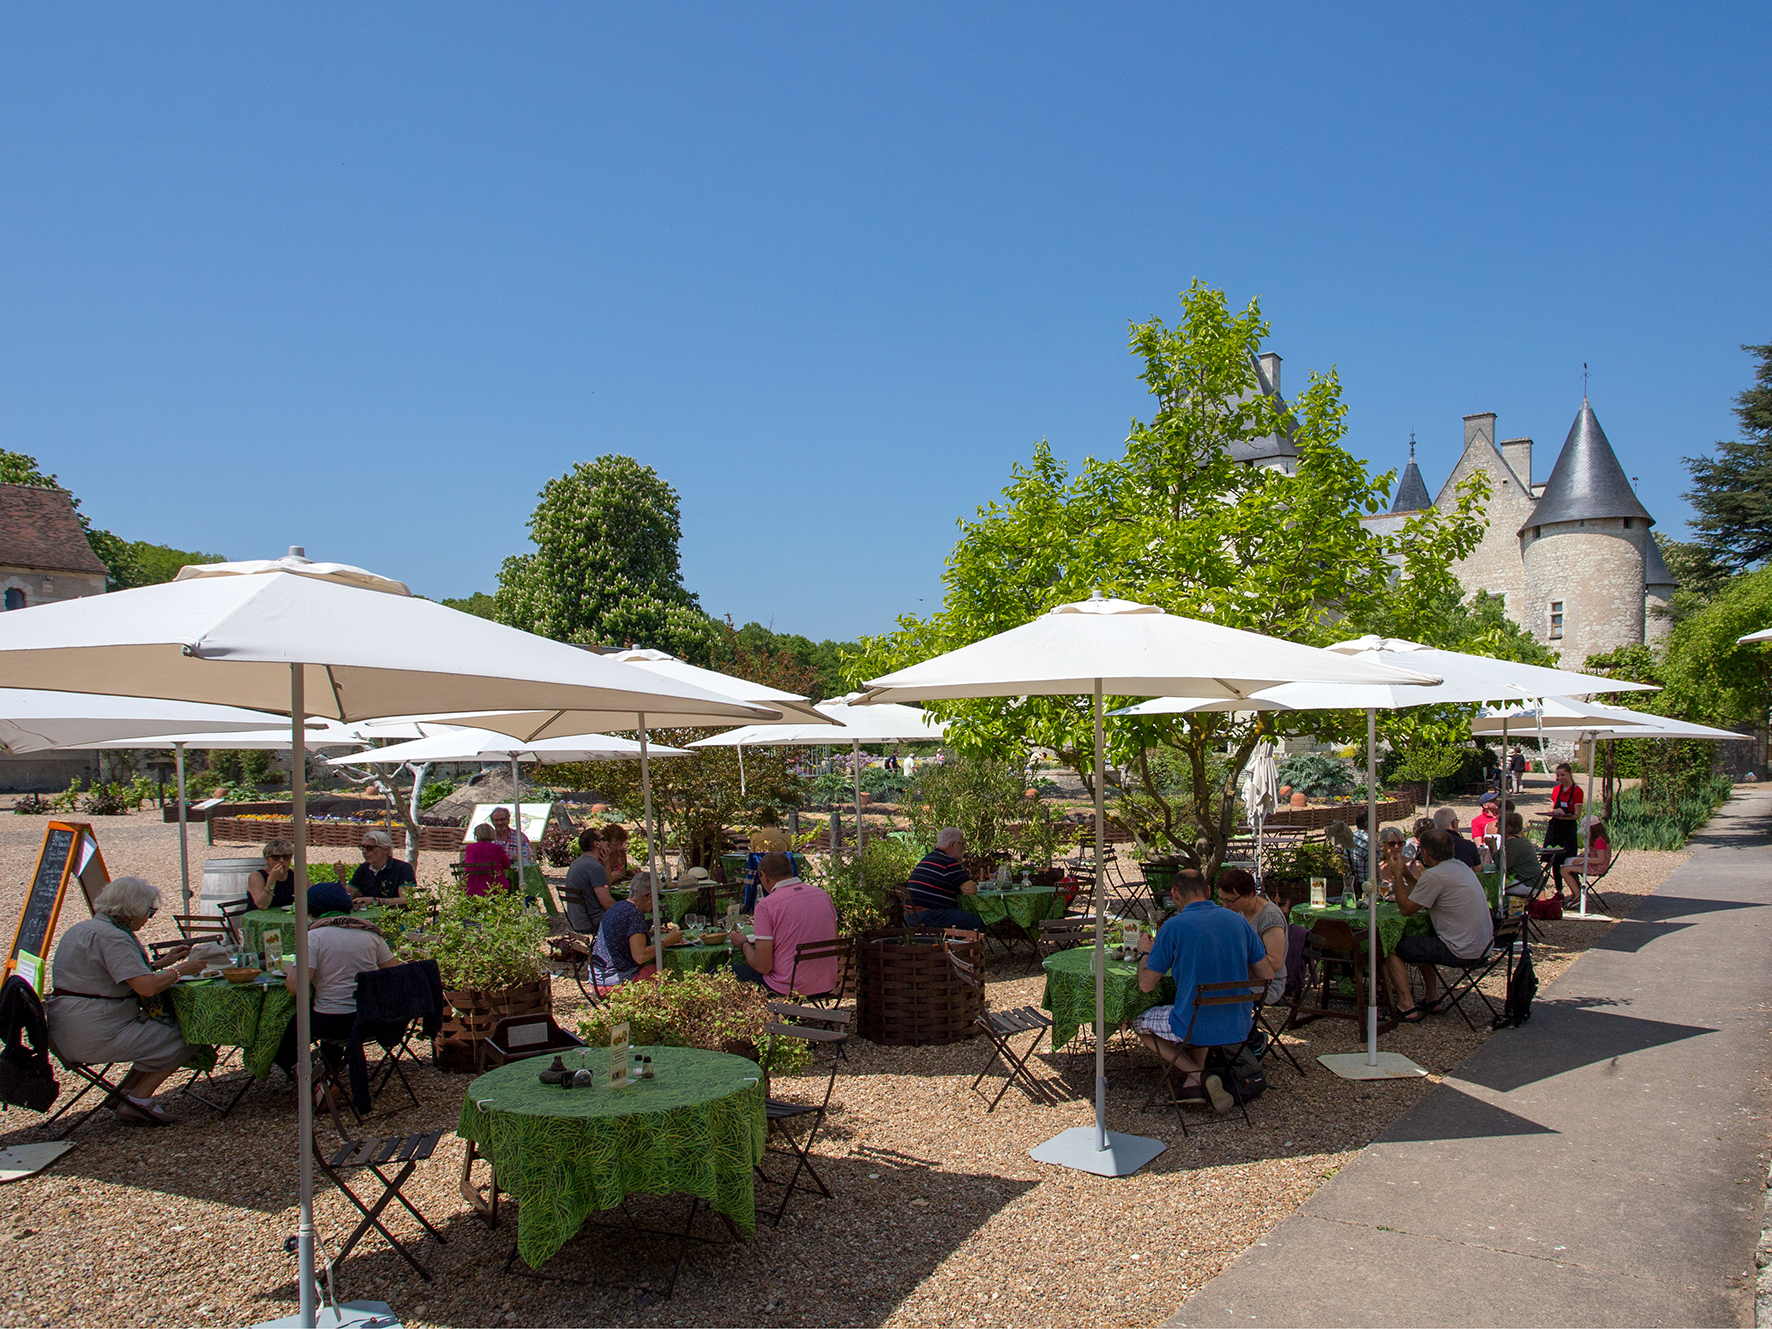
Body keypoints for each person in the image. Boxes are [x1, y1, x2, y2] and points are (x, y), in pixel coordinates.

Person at [45, 876, 208, 1125]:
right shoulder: (115, 938)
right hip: (93, 1033)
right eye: (149, 912)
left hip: (68, 1027)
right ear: (132, 910)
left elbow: (116, 975)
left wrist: (163, 963)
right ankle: (139, 1100)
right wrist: (181, 971)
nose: (149, 918)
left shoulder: (84, 928)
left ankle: (124, 1093)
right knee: (192, 1031)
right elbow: (146, 986)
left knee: (159, 1031)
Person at [1132, 870, 1274, 1114]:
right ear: (1208, 892)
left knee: (1138, 1021)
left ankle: (1199, 1075)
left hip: (1194, 1022)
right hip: (1239, 1023)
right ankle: (1193, 1085)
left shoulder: (1173, 927)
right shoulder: (1238, 921)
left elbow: (1146, 985)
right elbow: (1267, 975)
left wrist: (1145, 952)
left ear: (1174, 893)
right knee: (1197, 1007)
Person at [274, 883, 402, 1081]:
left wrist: (291, 969)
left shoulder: (313, 937)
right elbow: (395, 974)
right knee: (325, 1011)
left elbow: (295, 987)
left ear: (311, 911)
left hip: (332, 1022)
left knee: (279, 1037)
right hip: (370, 1019)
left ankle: (315, 1085)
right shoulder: (370, 934)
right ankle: (330, 1074)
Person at [1382, 828, 1494, 1021]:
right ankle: (1432, 998)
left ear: (1425, 852)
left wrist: (1398, 875)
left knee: (1390, 945)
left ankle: (1407, 1006)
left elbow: (1406, 909)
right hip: (1483, 947)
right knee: (1423, 940)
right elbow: (1421, 894)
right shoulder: (1460, 867)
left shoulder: (1436, 875)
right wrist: (1407, 874)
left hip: (1460, 951)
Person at [727, 851, 840, 996]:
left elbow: (763, 966)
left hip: (787, 987)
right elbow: (835, 940)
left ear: (764, 876)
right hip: (826, 983)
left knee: (715, 970)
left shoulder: (767, 905)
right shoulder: (822, 895)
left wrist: (743, 944)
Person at [589, 873, 680, 986]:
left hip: (598, 979)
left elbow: (621, 938)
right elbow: (640, 956)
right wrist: (667, 942)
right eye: (659, 897)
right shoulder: (634, 915)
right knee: (670, 969)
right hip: (615, 983)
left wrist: (648, 934)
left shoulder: (617, 906)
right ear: (651, 897)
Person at [1216, 869, 1288, 1004]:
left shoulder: (1270, 917)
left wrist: (1235, 960)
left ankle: (1241, 1024)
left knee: (1215, 995)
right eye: (1223, 900)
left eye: (1230, 901)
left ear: (1250, 894)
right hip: (1244, 978)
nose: (1225, 906)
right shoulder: (1242, 912)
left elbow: (1276, 963)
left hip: (1266, 984)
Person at [904, 827, 980, 928]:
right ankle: (957, 944)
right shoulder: (948, 862)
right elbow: (971, 890)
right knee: (978, 922)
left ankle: (952, 943)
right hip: (930, 916)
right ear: (953, 844)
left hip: (911, 915)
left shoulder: (928, 858)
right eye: (962, 844)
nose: (964, 848)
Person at [333, 829, 415, 904]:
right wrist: (342, 878)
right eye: (362, 847)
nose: (364, 852)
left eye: (369, 848)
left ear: (385, 850)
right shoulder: (363, 869)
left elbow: (406, 900)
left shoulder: (403, 868)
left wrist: (375, 901)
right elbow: (346, 896)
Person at [563, 828, 614, 934]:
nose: (607, 842)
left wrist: (606, 863)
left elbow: (607, 886)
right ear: (597, 844)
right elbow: (607, 903)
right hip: (593, 922)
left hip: (577, 921)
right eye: (604, 839)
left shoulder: (577, 863)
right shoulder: (594, 867)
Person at [1560, 819, 1611, 905]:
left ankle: (1577, 895)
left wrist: (1583, 859)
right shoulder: (1599, 839)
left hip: (1596, 867)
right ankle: (1576, 893)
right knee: (1568, 865)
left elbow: (1600, 859)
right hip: (1593, 865)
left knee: (1564, 870)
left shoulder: (1599, 841)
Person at [1499, 810, 1545, 905]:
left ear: (1506, 827)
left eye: (1498, 824)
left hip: (1527, 883)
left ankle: (1495, 912)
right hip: (1534, 882)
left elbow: (1501, 865)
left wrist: (1493, 848)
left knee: (1489, 885)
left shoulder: (1513, 842)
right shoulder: (1521, 839)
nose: (1496, 827)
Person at [460, 822, 511, 898]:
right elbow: (507, 865)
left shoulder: (469, 848)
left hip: (471, 886)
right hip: (494, 885)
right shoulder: (497, 848)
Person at [247, 838, 299, 909]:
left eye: (286, 856)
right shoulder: (257, 876)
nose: (281, 860)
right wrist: (272, 879)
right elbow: (262, 905)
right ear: (267, 859)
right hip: (260, 918)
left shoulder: (295, 874)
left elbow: (311, 895)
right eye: (276, 857)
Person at [1545, 763, 1584, 857]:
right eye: (1558, 775)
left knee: (1566, 856)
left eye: (1563, 775)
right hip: (1555, 826)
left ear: (1570, 773)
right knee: (1552, 855)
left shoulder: (1577, 791)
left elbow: (1577, 815)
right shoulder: (1557, 789)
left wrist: (1564, 816)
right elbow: (1550, 809)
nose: (1560, 778)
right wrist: (1555, 811)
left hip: (1568, 828)